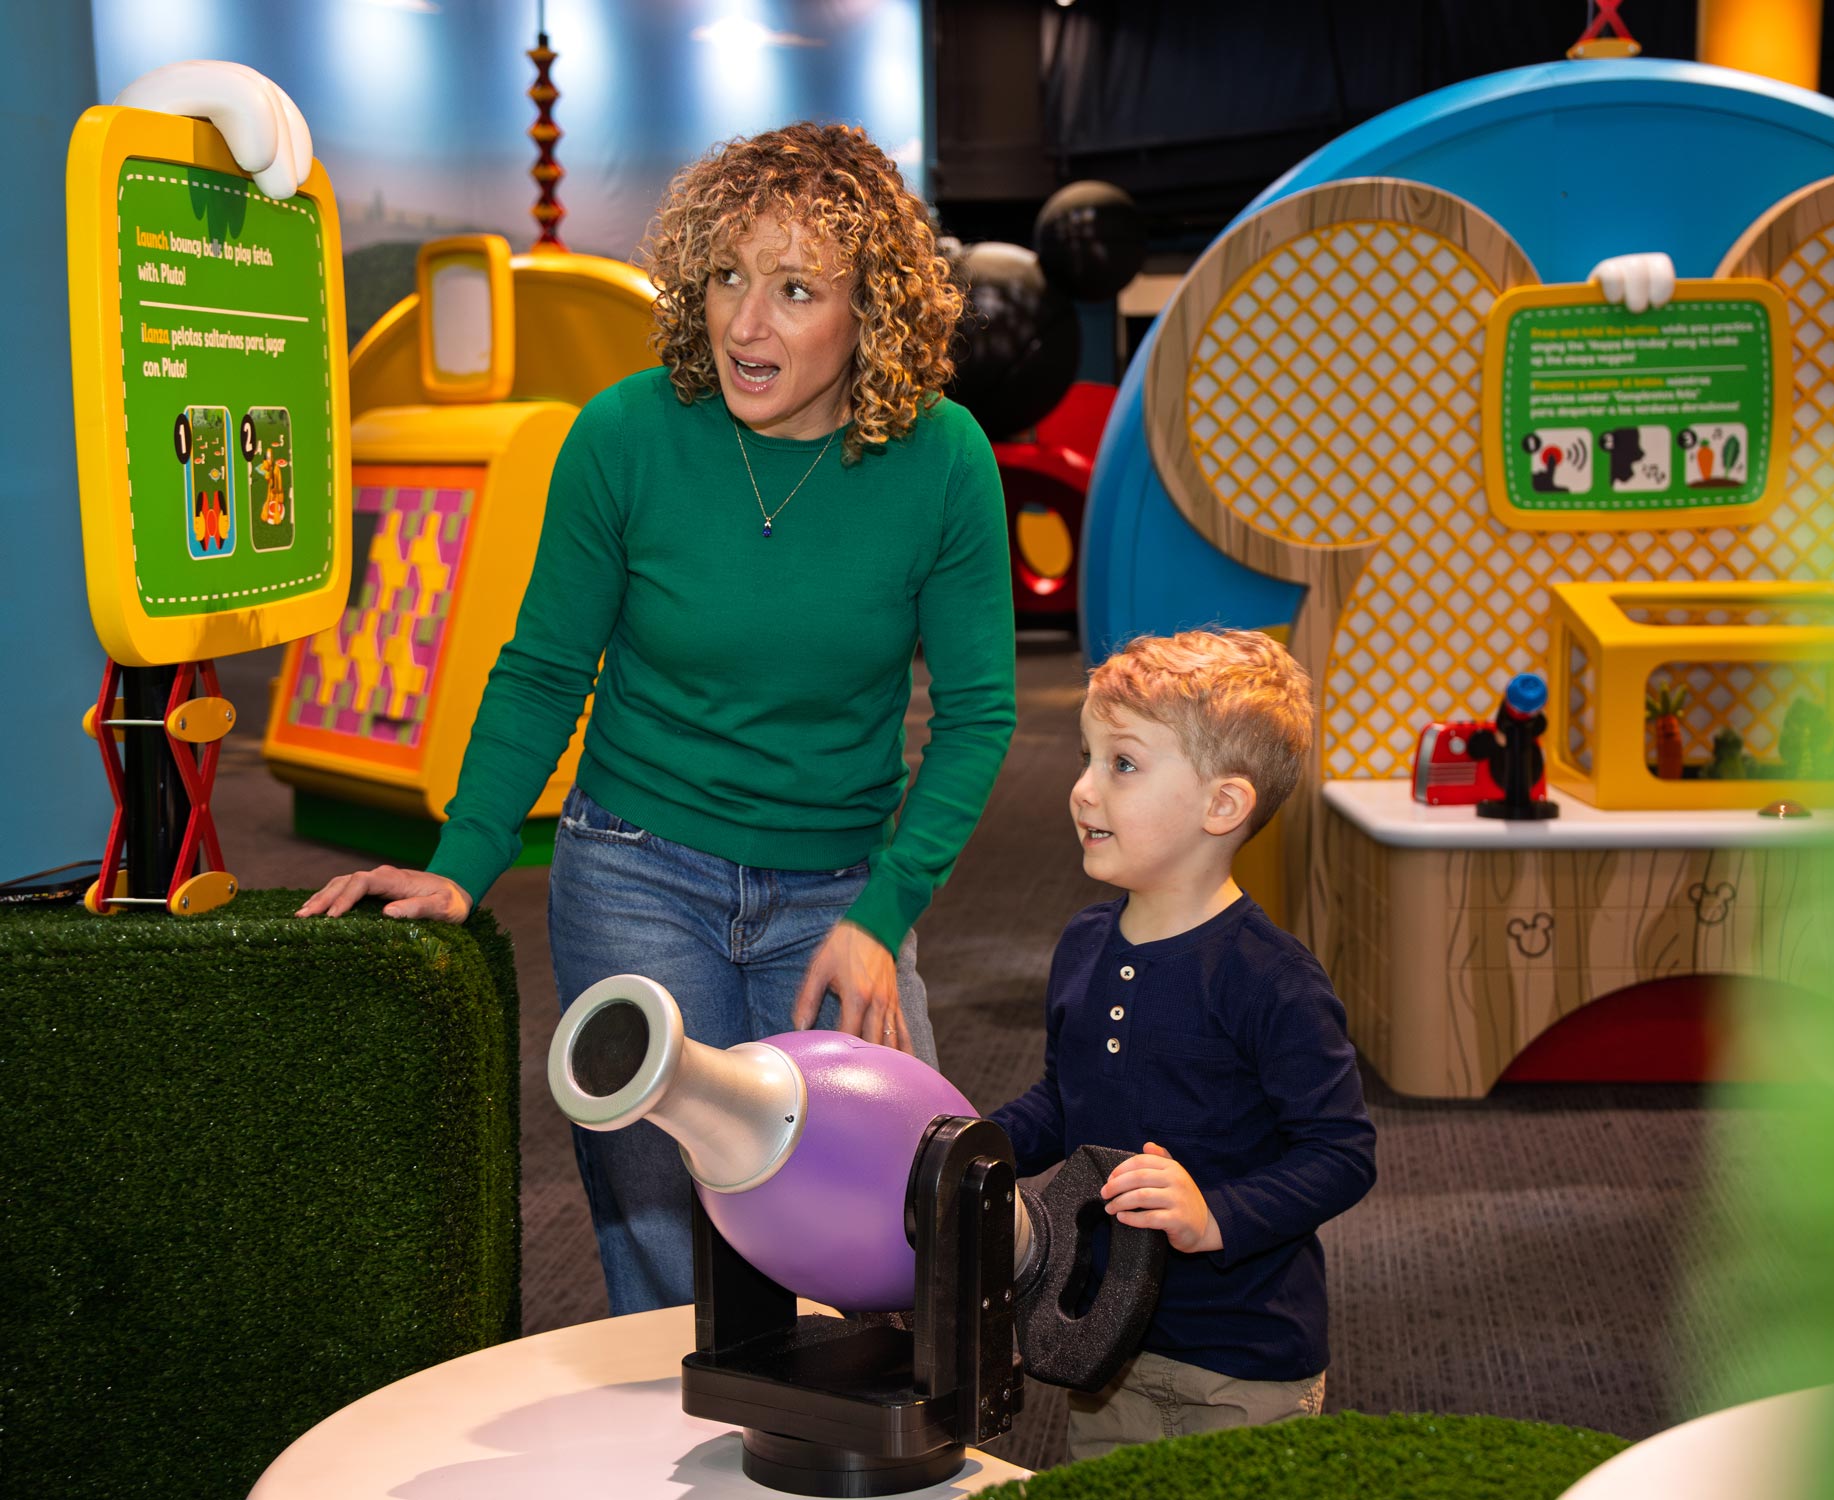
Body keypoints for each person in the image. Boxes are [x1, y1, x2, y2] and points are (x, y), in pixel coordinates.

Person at [297, 123, 1016, 1313]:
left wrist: (882, 915)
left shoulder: (941, 462)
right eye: (728, 277)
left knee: (891, 1212)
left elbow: (983, 718)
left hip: (835, 888)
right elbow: (541, 669)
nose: (746, 325)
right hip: (634, 874)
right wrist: (463, 860)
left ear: (871, 312)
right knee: (667, 1247)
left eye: (795, 290)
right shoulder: (624, 435)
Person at [989, 628, 1375, 1461]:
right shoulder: (1084, 944)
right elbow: (1063, 1100)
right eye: (1086, 758)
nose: (1082, 791)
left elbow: (1341, 1152)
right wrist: (970, 1146)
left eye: (1121, 765)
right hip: (1103, 1333)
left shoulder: (1272, 979)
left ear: (1222, 806)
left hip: (1244, 1359)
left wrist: (1216, 1216)